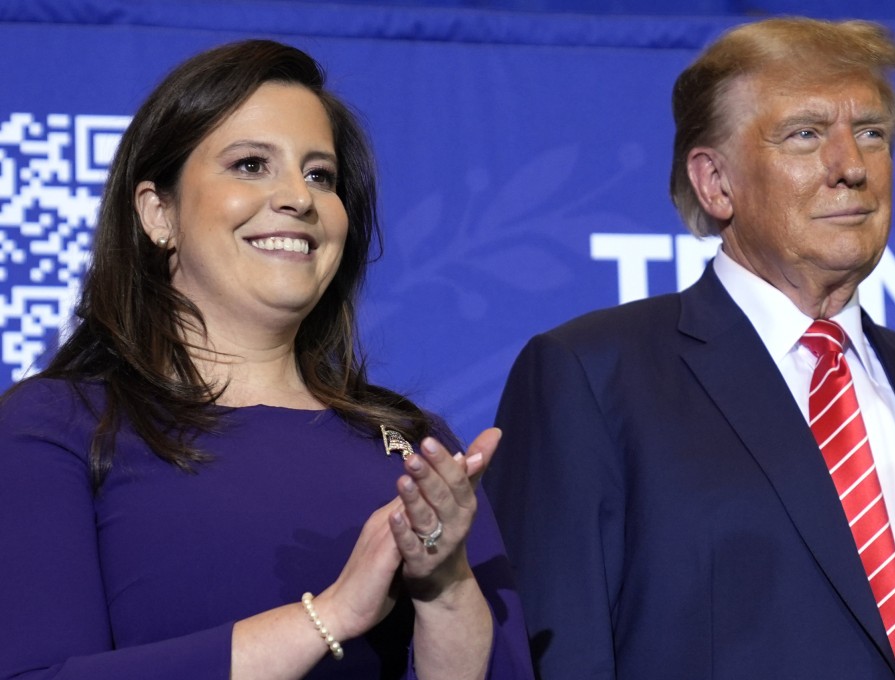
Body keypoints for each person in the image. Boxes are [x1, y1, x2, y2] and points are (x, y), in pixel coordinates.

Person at [484, 17, 895, 680]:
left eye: (871, 133)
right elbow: (552, 654)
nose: (852, 167)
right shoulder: (593, 380)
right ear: (716, 183)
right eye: (806, 134)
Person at [0, 40, 532, 680]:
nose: (298, 198)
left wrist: (443, 588)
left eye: (320, 175)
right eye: (251, 164)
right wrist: (329, 616)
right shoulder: (58, 425)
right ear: (158, 212)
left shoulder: (414, 446)